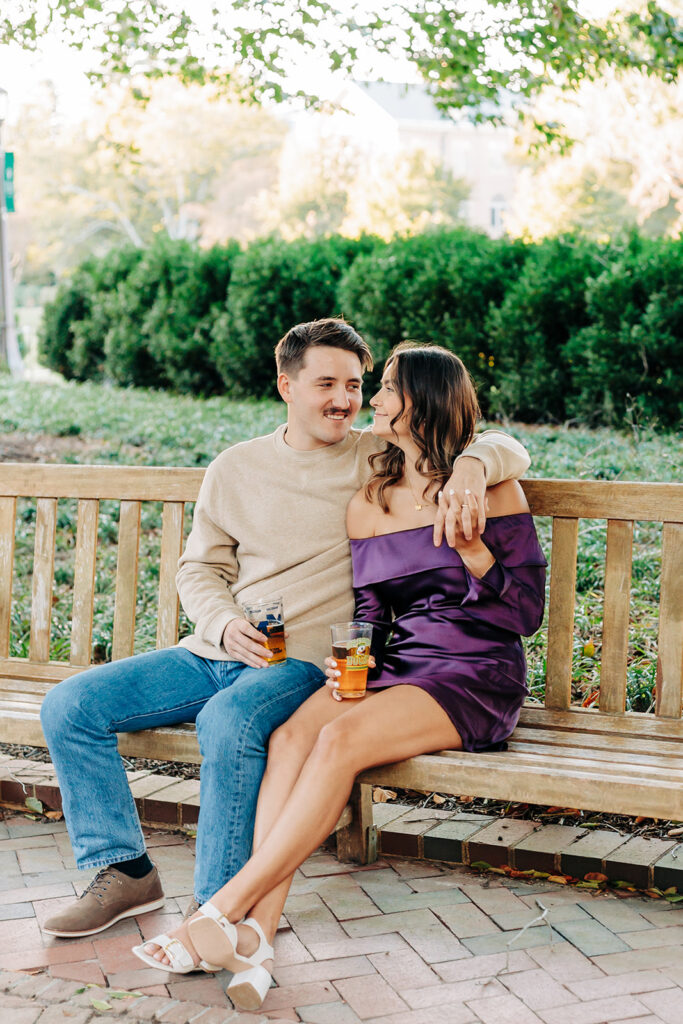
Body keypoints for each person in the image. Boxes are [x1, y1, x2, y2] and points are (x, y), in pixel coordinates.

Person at [40, 319, 530, 940]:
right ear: (285, 386)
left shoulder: (377, 459)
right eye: (327, 383)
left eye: (355, 385)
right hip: (220, 648)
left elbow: (496, 442)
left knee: (228, 721)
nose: (346, 400)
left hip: (302, 661)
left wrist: (474, 464)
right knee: (70, 704)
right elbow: (200, 568)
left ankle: (217, 905)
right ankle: (124, 871)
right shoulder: (236, 467)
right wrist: (221, 623)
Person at [133, 342, 546, 1010]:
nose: (370, 400)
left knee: (337, 744)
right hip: (394, 668)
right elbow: (372, 614)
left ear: (421, 401)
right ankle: (255, 941)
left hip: (472, 671)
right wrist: (353, 660)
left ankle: (221, 911)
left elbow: (523, 614)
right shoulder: (368, 503)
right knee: (293, 738)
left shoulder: (491, 488)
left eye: (383, 387)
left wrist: (472, 550)